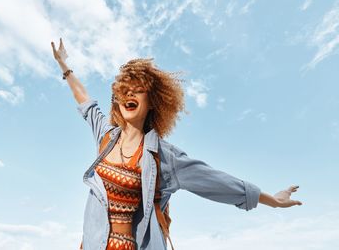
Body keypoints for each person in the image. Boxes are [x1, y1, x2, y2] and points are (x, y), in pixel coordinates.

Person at [51, 38, 303, 250]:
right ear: (116, 99)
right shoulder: (106, 137)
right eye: (123, 90)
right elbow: (85, 101)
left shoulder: (164, 156)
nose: (128, 94)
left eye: (137, 90)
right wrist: (64, 65)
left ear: (152, 101)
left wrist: (274, 200)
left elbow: (220, 183)